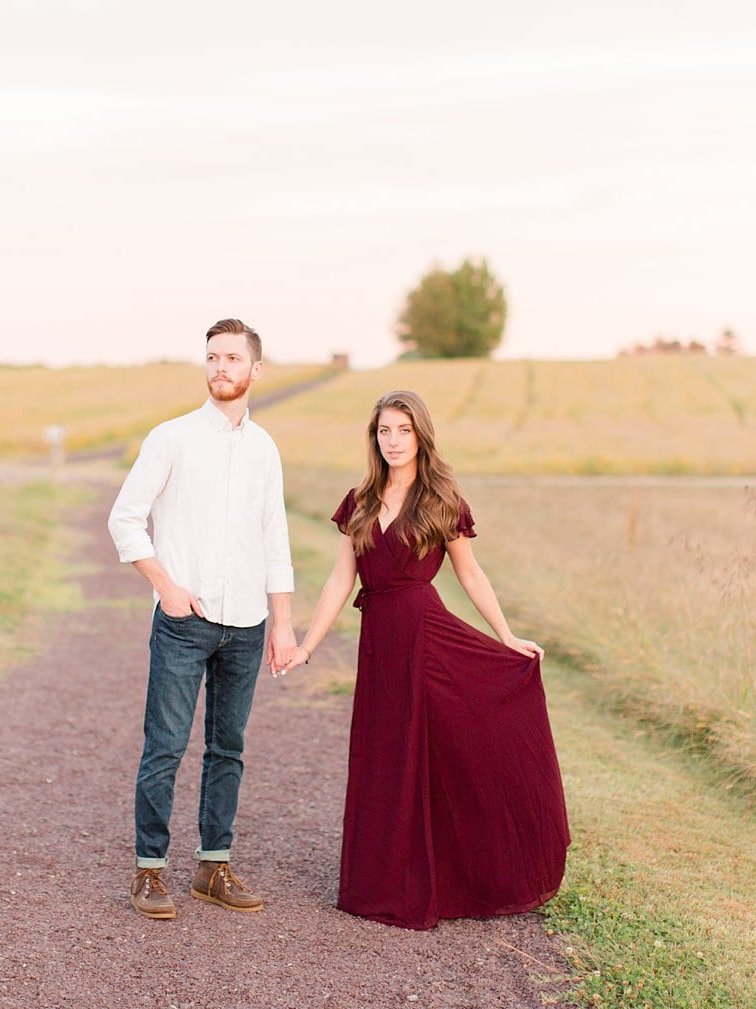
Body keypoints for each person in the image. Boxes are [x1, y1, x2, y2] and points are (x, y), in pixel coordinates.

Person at [277, 389, 570, 930]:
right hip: (380, 643)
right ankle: (378, 883)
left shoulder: (441, 501)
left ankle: (468, 870)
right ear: (375, 437)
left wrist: (505, 636)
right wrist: (307, 644)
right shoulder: (361, 500)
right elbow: (342, 578)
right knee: (383, 755)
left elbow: (470, 574)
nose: (393, 441)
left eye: (404, 431)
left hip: (427, 636)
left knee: (445, 750)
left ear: (421, 436)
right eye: (385, 431)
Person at [107, 318, 296, 921]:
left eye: (232, 358)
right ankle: (150, 872)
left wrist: (282, 623)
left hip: (246, 624)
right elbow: (125, 519)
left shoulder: (265, 449)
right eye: (212, 357)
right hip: (184, 620)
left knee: (228, 748)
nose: (220, 367)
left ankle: (213, 867)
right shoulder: (172, 438)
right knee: (164, 746)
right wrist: (166, 588)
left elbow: (275, 537)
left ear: (254, 370)